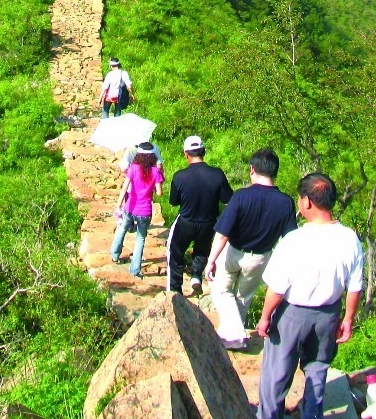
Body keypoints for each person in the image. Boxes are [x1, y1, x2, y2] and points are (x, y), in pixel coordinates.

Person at [256, 173, 363, 419]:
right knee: (318, 365)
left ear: (307, 202)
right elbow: (355, 286)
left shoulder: (294, 240)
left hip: (292, 312)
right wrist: (347, 319)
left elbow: (277, 288)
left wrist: (265, 316)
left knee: (279, 366)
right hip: (328, 313)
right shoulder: (350, 238)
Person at [205, 148, 297, 350]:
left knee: (221, 291)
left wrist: (211, 260)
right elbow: (289, 240)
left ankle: (235, 336)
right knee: (242, 298)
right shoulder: (286, 203)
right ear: (275, 172)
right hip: (261, 258)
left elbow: (222, 234)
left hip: (234, 253)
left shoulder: (241, 196)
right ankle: (231, 335)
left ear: (252, 169)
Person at [167, 136, 233, 296]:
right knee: (202, 250)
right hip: (209, 222)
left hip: (186, 221)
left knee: (175, 253)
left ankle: (175, 291)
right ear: (204, 152)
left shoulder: (179, 176)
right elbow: (228, 199)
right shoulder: (217, 174)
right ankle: (196, 275)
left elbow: (173, 202)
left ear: (186, 154)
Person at [110, 145, 164, 279]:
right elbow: (159, 193)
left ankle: (115, 255)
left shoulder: (133, 168)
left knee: (122, 229)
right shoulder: (155, 172)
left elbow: (124, 189)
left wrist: (118, 206)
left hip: (130, 207)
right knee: (140, 238)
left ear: (138, 155)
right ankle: (135, 269)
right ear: (152, 156)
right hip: (145, 211)